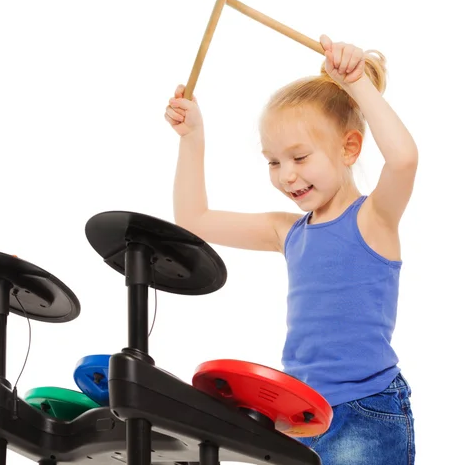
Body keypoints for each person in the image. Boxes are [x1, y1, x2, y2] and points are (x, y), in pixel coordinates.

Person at [164, 35, 417, 465]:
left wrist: (358, 84)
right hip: (297, 413)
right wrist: (192, 138)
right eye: (274, 161)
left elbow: (404, 160)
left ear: (349, 148)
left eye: (299, 157)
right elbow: (194, 219)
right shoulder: (287, 231)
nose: (286, 176)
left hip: (365, 410)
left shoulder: (374, 218)